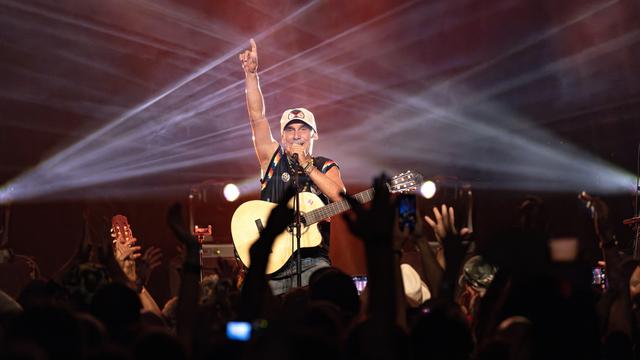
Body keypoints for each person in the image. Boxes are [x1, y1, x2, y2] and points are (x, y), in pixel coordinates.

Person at [239, 39, 346, 295]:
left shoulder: (325, 165)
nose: (296, 135)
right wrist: (251, 76)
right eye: (290, 130)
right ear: (283, 136)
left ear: (314, 135)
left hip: (313, 261)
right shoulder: (272, 158)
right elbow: (257, 117)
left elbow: (340, 197)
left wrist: (308, 167)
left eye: (302, 129)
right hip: (272, 260)